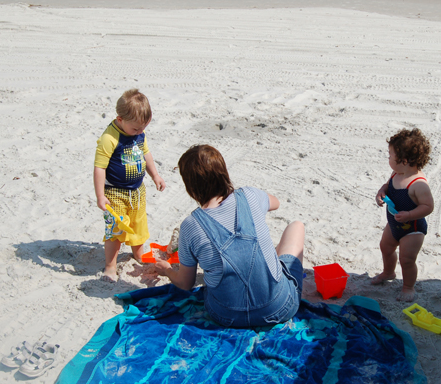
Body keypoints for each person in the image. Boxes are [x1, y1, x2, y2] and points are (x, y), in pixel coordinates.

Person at [155, 144, 305, 328]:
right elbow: (276, 203)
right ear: (224, 174)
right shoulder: (249, 195)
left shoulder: (190, 225)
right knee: (296, 226)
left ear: (190, 188)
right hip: (279, 308)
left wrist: (167, 270)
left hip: (226, 316)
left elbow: (185, 283)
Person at [93, 89, 165, 282]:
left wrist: (155, 175)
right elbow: (99, 167)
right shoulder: (110, 138)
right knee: (116, 229)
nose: (140, 132)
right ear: (120, 119)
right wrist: (100, 195)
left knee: (138, 223)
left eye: (143, 128)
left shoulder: (139, 133)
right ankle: (110, 265)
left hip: (137, 191)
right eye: (135, 129)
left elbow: (146, 154)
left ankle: (138, 253)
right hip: (115, 192)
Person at [372, 129, 434, 301]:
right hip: (393, 224)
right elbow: (387, 185)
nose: (388, 158)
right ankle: (388, 272)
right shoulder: (397, 173)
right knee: (386, 247)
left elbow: (428, 207)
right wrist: (381, 192)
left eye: (390, 155)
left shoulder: (418, 184)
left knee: (406, 260)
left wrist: (409, 214)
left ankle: (408, 287)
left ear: (404, 161)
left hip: (412, 230)